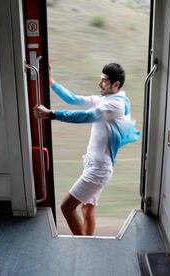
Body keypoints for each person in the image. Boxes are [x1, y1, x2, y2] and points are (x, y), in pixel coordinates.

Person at [34, 62, 140, 236]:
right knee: (86, 209)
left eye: (104, 81)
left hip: (99, 169)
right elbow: (73, 99)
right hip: (93, 164)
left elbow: (88, 116)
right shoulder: (104, 98)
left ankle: (82, 246)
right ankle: (87, 244)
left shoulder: (116, 105)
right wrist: (51, 81)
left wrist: (52, 114)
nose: (100, 84)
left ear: (116, 85)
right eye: (100, 80)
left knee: (66, 208)